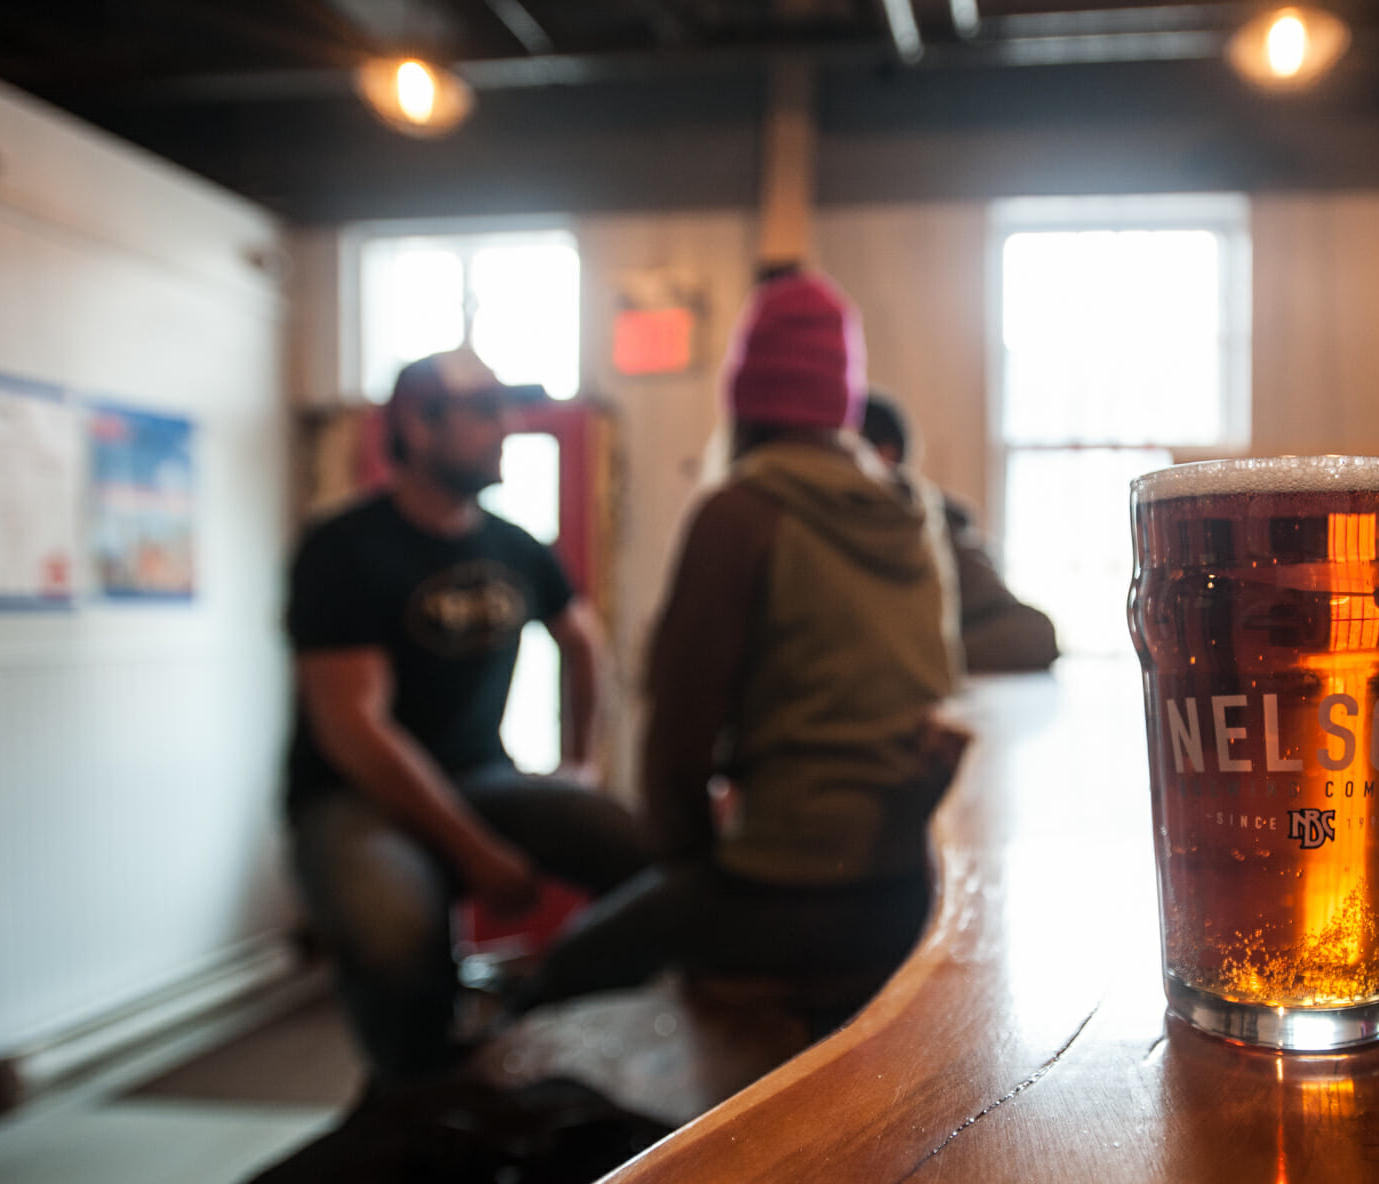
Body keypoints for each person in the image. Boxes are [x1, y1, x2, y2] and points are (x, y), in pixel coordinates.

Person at [517, 271, 965, 1017]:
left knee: (553, 983)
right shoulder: (912, 512)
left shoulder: (741, 511)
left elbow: (676, 746)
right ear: (841, 399)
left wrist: (694, 867)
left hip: (790, 886)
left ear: (745, 400)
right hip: (906, 883)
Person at [285, 348, 649, 1080]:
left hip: (483, 775)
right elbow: (355, 730)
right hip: (358, 797)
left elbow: (585, 647)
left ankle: (526, 1029)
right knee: (394, 935)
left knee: (644, 859)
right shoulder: (343, 549)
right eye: (484, 411)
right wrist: (474, 852)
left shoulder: (515, 546)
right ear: (418, 425)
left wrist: (580, 767)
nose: (508, 427)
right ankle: (413, 1098)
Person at [860, 391, 1059, 674]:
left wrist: (916, 663)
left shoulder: (932, 525)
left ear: (885, 456)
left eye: (848, 448)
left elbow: (1032, 634)